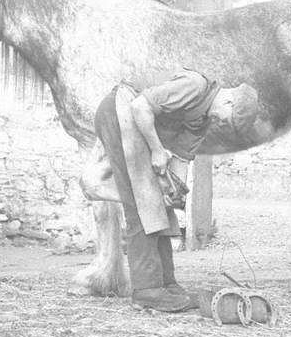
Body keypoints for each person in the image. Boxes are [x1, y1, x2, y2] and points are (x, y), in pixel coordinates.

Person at [94, 69, 221, 313]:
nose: (226, 123)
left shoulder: (203, 120)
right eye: (230, 118)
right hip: (121, 110)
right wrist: (156, 150)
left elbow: (182, 159)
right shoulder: (195, 85)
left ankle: (165, 284)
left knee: (159, 203)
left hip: (134, 123)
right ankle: (147, 290)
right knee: (142, 202)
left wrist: (174, 191)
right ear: (228, 99)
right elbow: (140, 106)